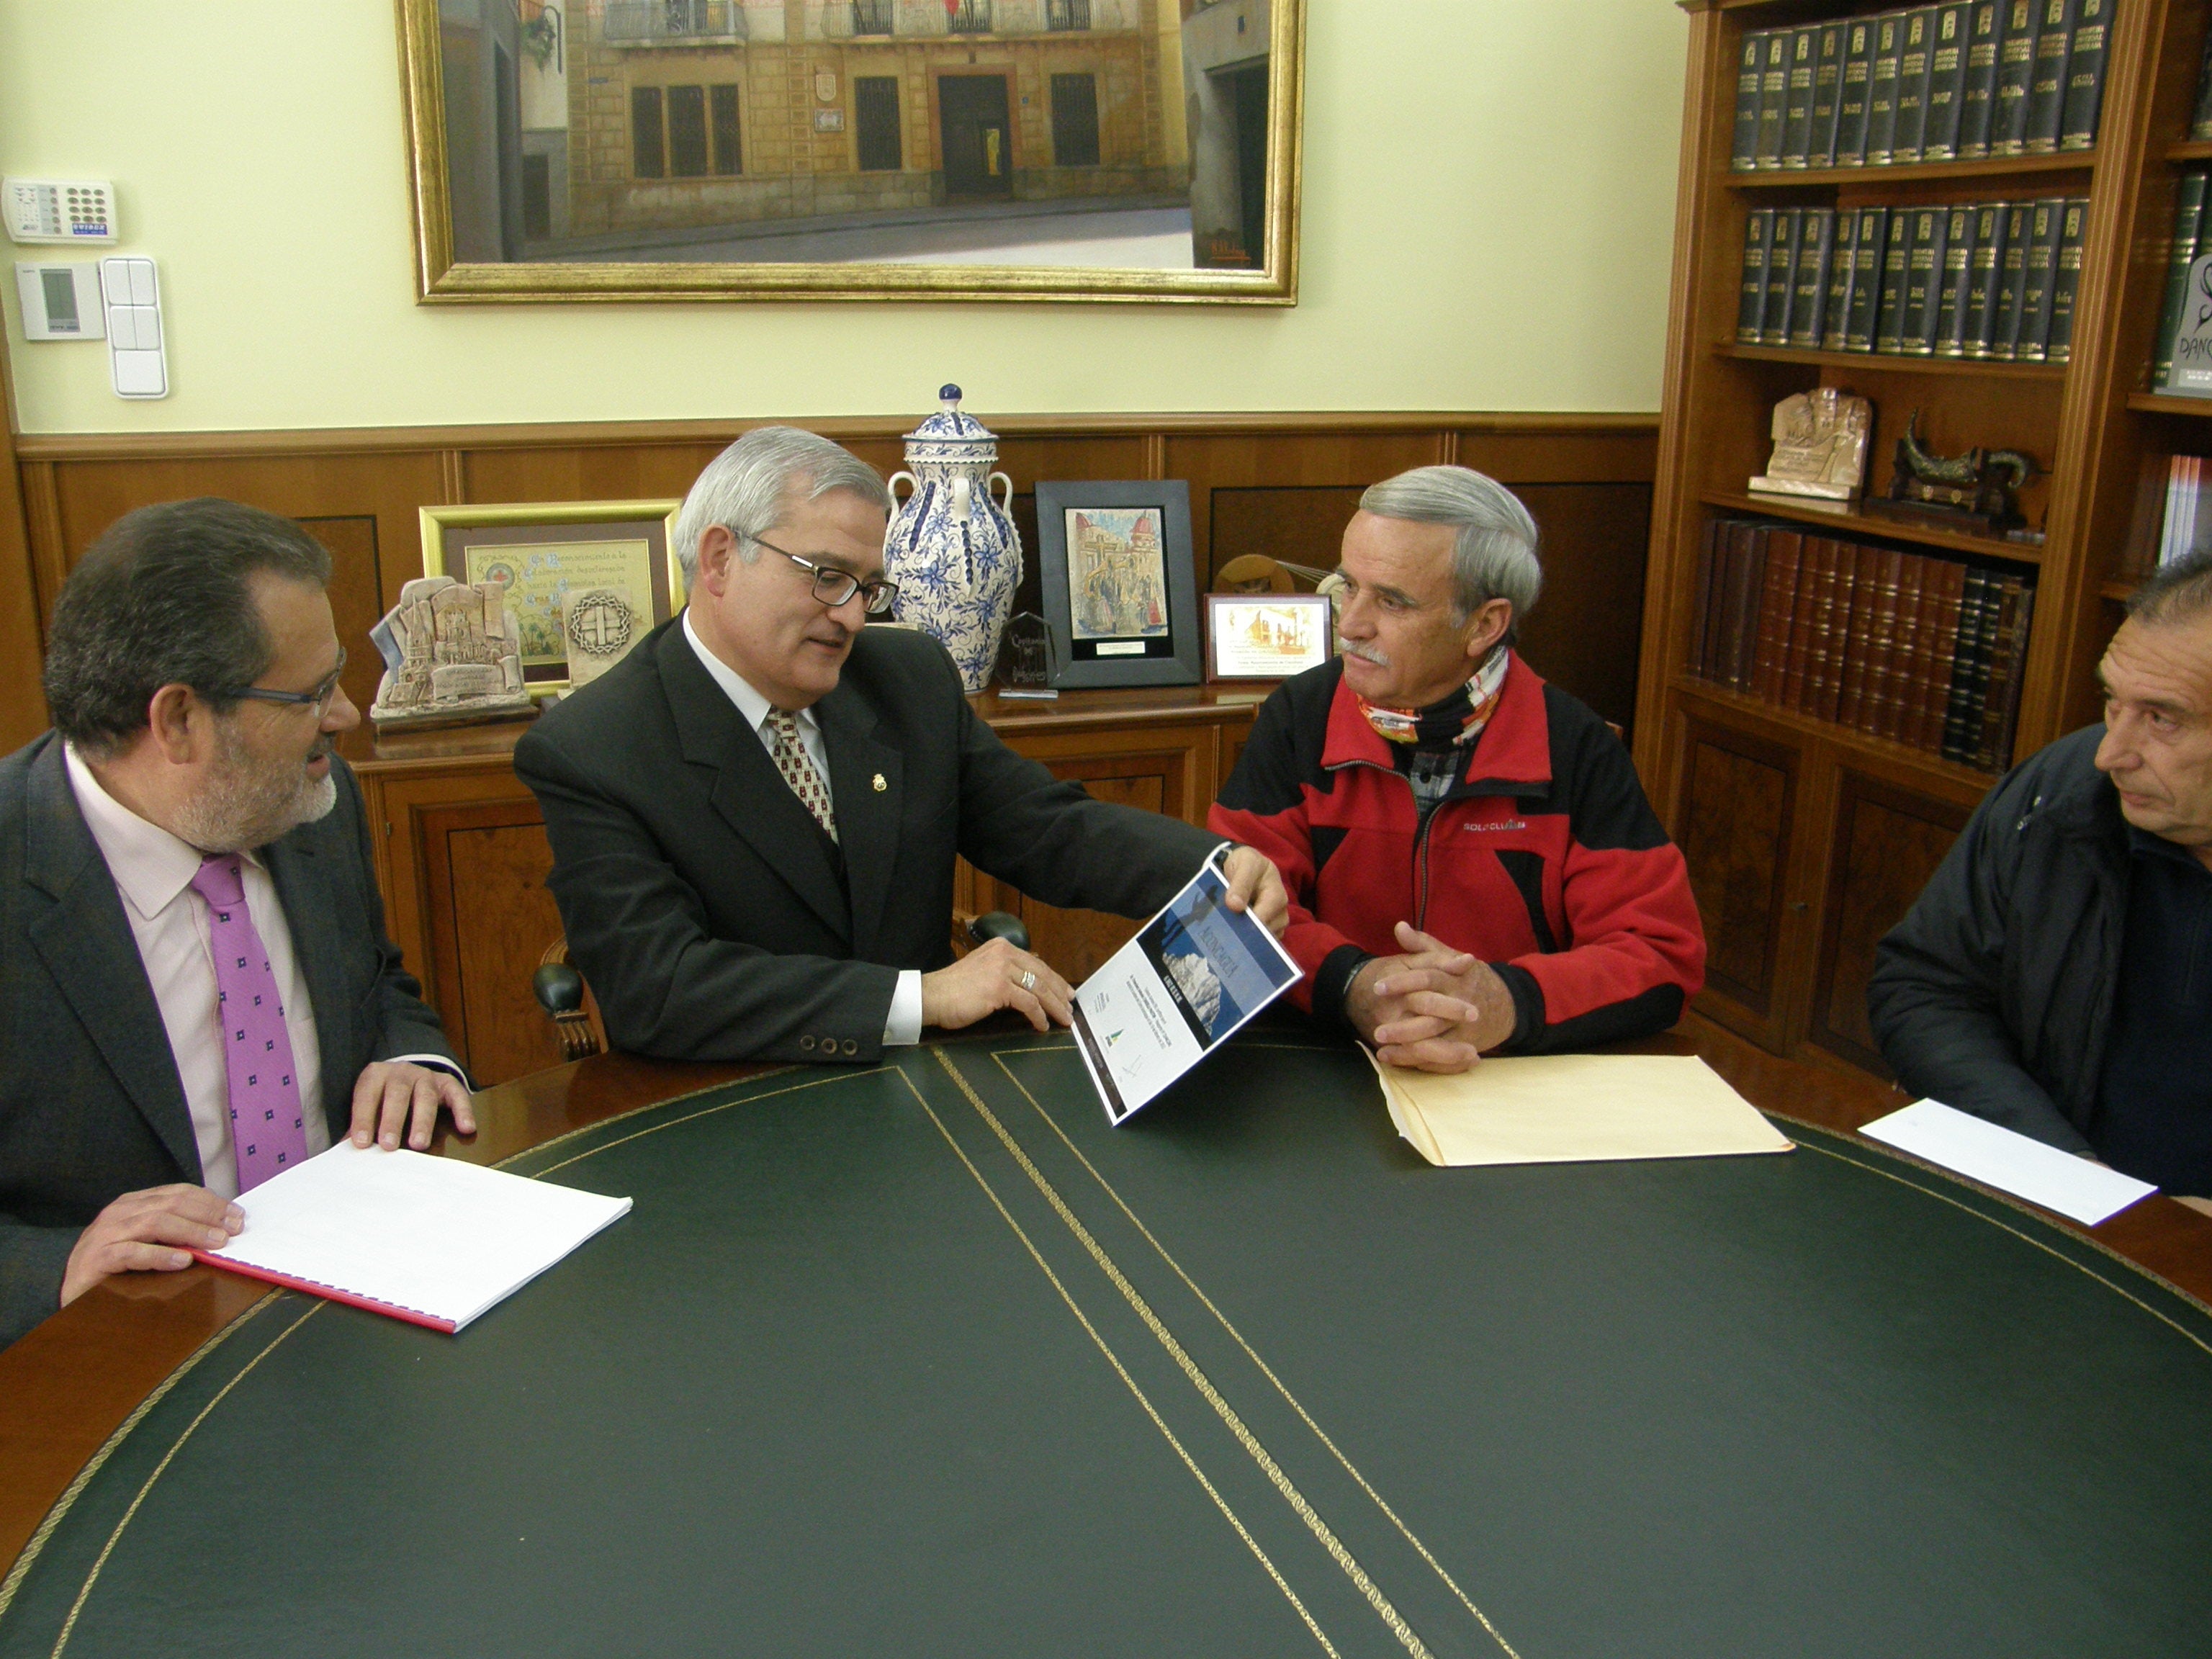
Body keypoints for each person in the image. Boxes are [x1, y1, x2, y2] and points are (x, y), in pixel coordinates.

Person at [513, 426, 1285, 1065]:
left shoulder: (905, 678)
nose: (853, 616)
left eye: (869, 587)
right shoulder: (595, 749)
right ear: (719, 560)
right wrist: (923, 996)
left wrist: (1212, 869)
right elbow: (658, 990)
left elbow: (1048, 827)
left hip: (925, 1098)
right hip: (729, 1107)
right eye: (827, 577)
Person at [0, 500, 472, 1349]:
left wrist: (410, 1057)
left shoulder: (312, 798)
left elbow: (376, 979)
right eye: (312, 693)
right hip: (118, 1356)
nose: (346, 716)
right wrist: (56, 1266)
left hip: (362, 1306)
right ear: (178, 720)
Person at [1208, 466, 1706, 1072]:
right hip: (1328, 1063)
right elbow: (1229, 910)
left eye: (1391, 601)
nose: (1351, 624)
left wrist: (1506, 1002)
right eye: (1348, 586)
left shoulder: (1574, 746)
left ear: (1485, 624)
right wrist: (1352, 984)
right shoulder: (1299, 717)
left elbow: (1661, 954)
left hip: (1507, 1077)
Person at [1870, 552, 2212, 1208]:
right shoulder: (2062, 791)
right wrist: (2068, 1171)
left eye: (2163, 718)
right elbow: (1925, 988)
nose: (2111, 753)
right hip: (2047, 1197)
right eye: (2112, 701)